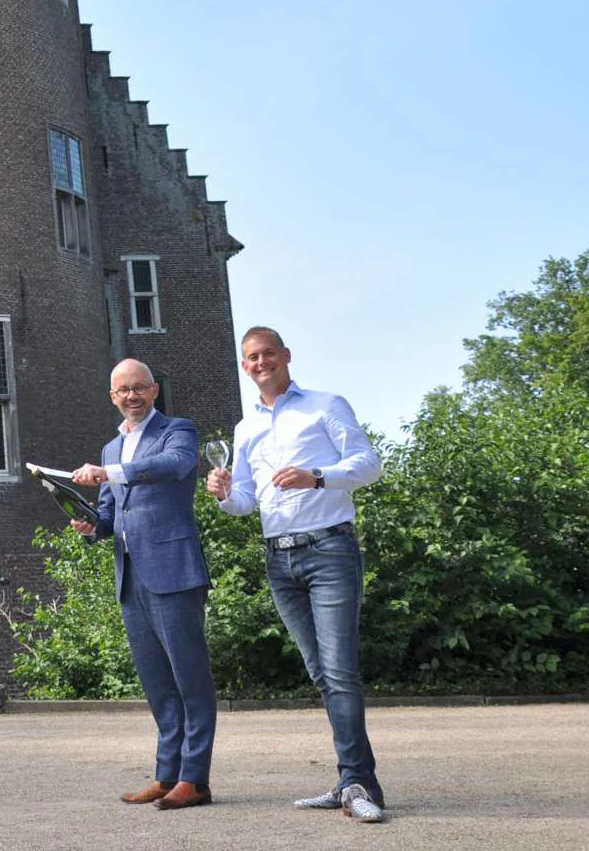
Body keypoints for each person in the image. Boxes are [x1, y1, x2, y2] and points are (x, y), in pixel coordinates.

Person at [206, 326, 386, 824]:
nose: (260, 362)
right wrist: (223, 493)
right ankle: (351, 781)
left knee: (340, 672)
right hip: (279, 558)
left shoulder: (325, 405)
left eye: (268, 353)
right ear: (244, 366)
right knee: (321, 673)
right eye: (251, 357)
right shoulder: (245, 428)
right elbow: (246, 502)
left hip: (330, 548)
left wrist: (318, 477)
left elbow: (369, 465)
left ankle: (358, 782)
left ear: (285, 355)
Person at [68, 358, 216, 810]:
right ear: (112, 397)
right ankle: (167, 775)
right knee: (158, 685)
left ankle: (195, 779)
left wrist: (109, 473)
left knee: (190, 679)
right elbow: (109, 514)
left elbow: (174, 465)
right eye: (123, 390)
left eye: (139, 388)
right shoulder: (111, 448)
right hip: (131, 576)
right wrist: (92, 527)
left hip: (174, 570)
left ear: (153, 390)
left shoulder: (177, 431)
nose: (131, 396)